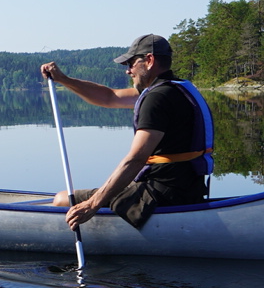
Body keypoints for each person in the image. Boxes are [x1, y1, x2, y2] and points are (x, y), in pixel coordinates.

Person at [40, 33, 215, 230]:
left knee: (61, 199)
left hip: (159, 196)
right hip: (191, 189)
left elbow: (135, 160)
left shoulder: (156, 99)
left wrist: (92, 204)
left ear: (149, 60)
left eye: (131, 63)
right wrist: (64, 79)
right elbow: (109, 97)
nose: (128, 71)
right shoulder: (177, 90)